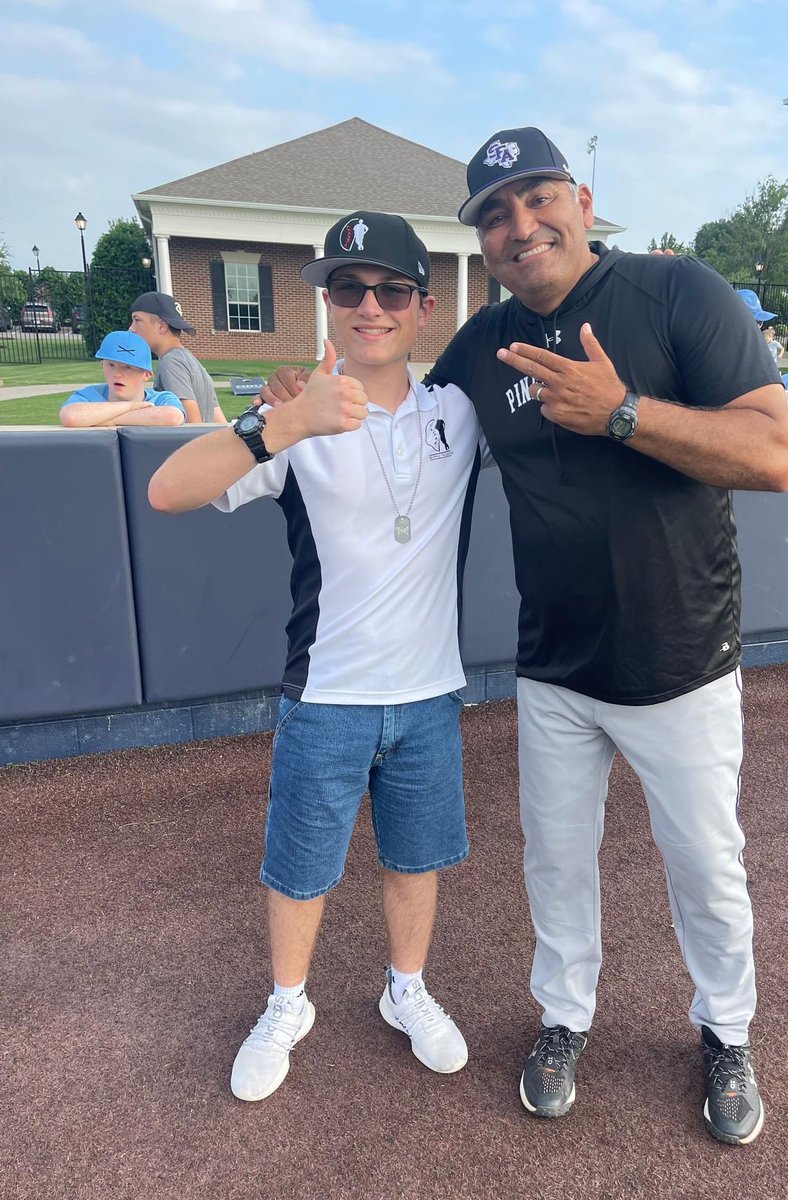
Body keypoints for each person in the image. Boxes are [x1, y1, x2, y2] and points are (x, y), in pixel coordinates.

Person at [265, 127, 788, 1144]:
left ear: (582, 200)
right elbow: (395, 406)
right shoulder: (478, 347)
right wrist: (291, 401)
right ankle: (566, 1017)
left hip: (682, 660)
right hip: (554, 665)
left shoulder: (678, 292)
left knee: (705, 864)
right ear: (483, 243)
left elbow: (775, 454)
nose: (520, 227)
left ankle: (725, 1031)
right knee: (555, 865)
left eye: (537, 199)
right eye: (495, 215)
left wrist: (625, 413)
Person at [147, 213, 483, 1103]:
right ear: (328, 306)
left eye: (391, 290)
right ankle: (287, 1003)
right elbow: (167, 491)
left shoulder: (459, 409)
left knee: (416, 862)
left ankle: (404, 989)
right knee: (299, 867)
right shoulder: (288, 416)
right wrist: (279, 423)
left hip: (429, 695)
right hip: (326, 692)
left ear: (421, 307)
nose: (370, 306)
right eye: (348, 289)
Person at [129, 292, 226, 424]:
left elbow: (191, 426)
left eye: (137, 320)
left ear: (162, 326)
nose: (131, 328)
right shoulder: (190, 360)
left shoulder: (171, 362)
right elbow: (220, 422)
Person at [59, 331, 186, 427]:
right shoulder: (90, 394)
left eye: (127, 368)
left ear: (146, 374)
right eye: (111, 365)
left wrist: (104, 420)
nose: (117, 374)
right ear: (102, 365)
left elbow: (172, 416)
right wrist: (131, 407)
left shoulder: (161, 399)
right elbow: (71, 417)